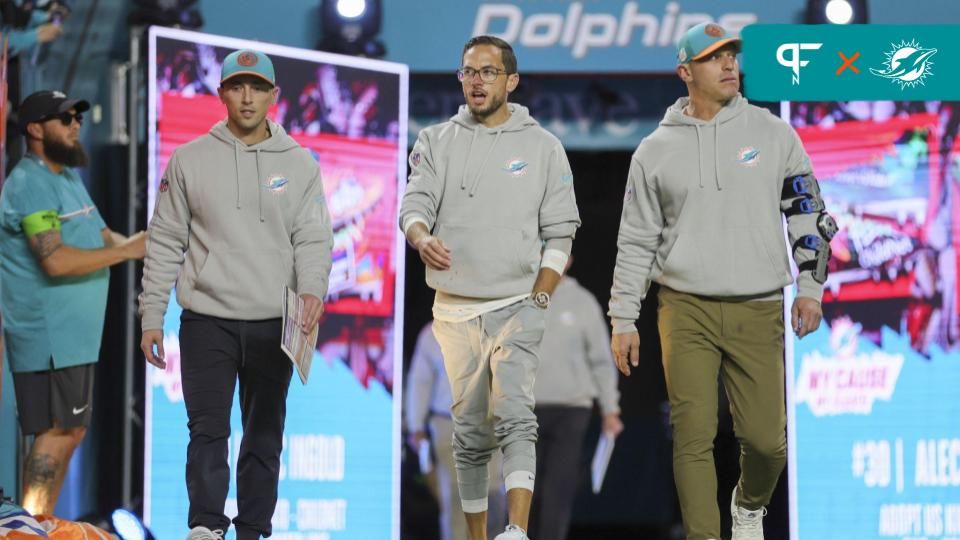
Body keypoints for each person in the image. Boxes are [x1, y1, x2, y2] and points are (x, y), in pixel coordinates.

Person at [607, 22, 836, 540]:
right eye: (714, 57)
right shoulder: (654, 150)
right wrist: (623, 317)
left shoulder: (774, 132)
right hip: (684, 306)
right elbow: (636, 240)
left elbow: (808, 210)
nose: (730, 63)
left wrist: (809, 288)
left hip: (757, 304)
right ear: (685, 72)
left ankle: (749, 506)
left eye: (732, 54)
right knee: (692, 436)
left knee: (766, 443)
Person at [139, 49, 333, 540]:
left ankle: (251, 530)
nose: (247, 97)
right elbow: (164, 240)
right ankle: (205, 527)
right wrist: (150, 316)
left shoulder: (300, 164)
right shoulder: (189, 159)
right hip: (207, 319)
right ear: (221, 93)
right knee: (207, 431)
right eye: (237, 86)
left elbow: (313, 237)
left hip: (275, 319)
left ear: (274, 96)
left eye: (257, 87)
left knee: (265, 437)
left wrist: (313, 288)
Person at [399, 35, 580, 540]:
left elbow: (561, 230)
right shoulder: (435, 140)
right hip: (454, 309)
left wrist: (540, 296)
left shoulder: (543, 146)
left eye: (487, 72)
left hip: (519, 302)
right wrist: (420, 235)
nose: (475, 82)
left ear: (511, 81)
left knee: (517, 415)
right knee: (471, 432)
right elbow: (414, 203)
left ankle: (516, 531)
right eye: (467, 72)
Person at [0, 90, 146, 515]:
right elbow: (57, 261)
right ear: (35, 129)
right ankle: (28, 528)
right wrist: (128, 251)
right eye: (64, 119)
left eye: (78, 117)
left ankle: (42, 521)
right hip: (47, 334)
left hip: (74, 338)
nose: (75, 124)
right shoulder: (28, 183)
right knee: (54, 431)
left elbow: (106, 239)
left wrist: (147, 248)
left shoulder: (67, 179)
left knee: (71, 431)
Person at [528, 262, 623, 540]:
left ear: (569, 259)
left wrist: (610, 409)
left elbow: (601, 362)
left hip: (571, 410)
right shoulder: (518, 296)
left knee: (558, 488)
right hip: (524, 410)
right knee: (523, 490)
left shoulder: (582, 302)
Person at [406, 321, 507, 540]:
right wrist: (416, 425)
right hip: (448, 425)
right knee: (455, 500)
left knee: (492, 499)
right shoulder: (433, 332)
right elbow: (420, 380)